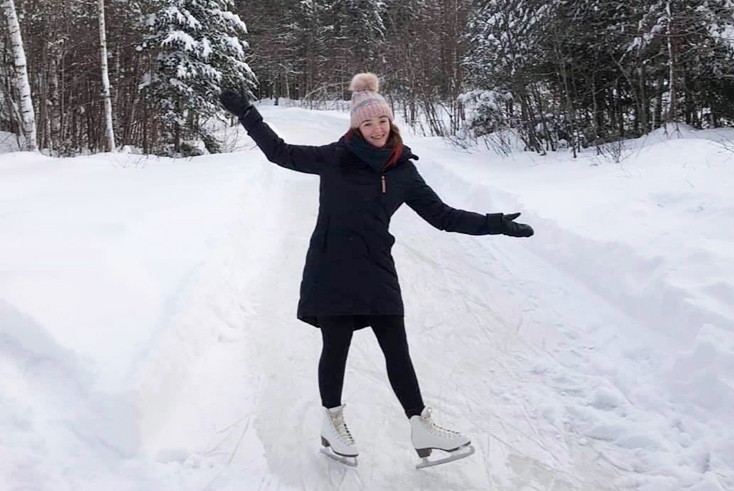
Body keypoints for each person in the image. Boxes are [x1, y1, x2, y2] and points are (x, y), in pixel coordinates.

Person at [219, 73, 534, 466]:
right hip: (331, 265)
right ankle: (332, 422)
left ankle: (421, 424)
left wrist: (495, 223)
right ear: (356, 126)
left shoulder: (403, 170)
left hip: (376, 266)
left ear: (391, 121)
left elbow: (442, 216)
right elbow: (280, 152)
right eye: (367, 123)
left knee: (396, 347)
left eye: (381, 121)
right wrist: (249, 114)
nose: (376, 129)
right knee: (336, 347)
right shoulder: (336, 158)